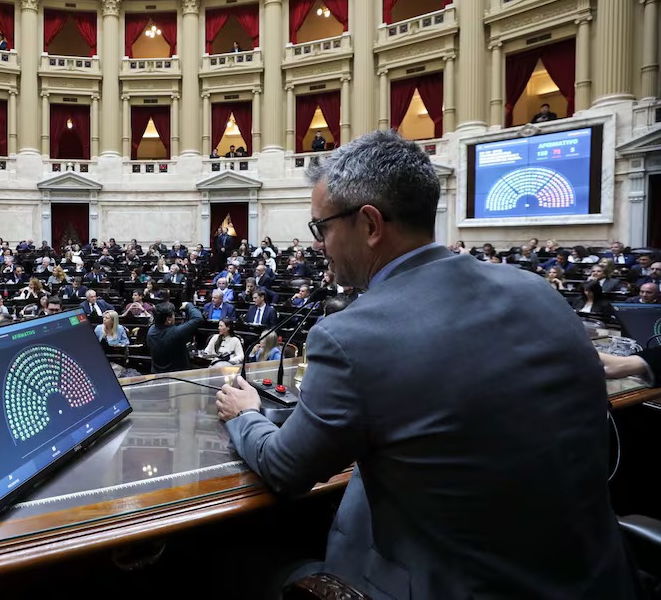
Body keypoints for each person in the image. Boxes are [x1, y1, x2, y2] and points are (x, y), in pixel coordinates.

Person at [214, 129, 640, 599]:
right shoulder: (537, 290)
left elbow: (285, 469)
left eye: (322, 228)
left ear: (370, 225)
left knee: (227, 565)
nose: (319, 245)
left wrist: (246, 414)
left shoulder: (352, 335)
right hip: (600, 581)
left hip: (451, 589)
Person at [146, 300, 203, 374]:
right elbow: (198, 318)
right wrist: (188, 305)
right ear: (168, 320)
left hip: (157, 375)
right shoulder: (176, 332)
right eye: (173, 315)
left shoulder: (151, 331)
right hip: (177, 376)